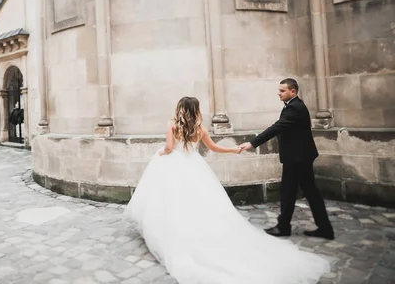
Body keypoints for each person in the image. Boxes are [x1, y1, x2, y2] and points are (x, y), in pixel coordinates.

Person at [125, 96, 330, 284]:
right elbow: (214, 148)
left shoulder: (172, 125)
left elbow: (169, 148)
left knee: (171, 200)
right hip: (194, 166)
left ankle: (170, 232)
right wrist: (234, 149)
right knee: (200, 201)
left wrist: (162, 152)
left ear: (180, 108)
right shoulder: (200, 128)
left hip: (174, 166)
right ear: (196, 110)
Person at [239, 78, 334, 240]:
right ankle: (323, 228)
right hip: (300, 157)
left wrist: (252, 143)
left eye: (282, 90)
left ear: (293, 91)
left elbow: (276, 127)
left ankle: (284, 227)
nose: (279, 93)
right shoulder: (294, 106)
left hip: (297, 158)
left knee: (289, 192)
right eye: (279, 90)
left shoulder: (294, 108)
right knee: (309, 192)